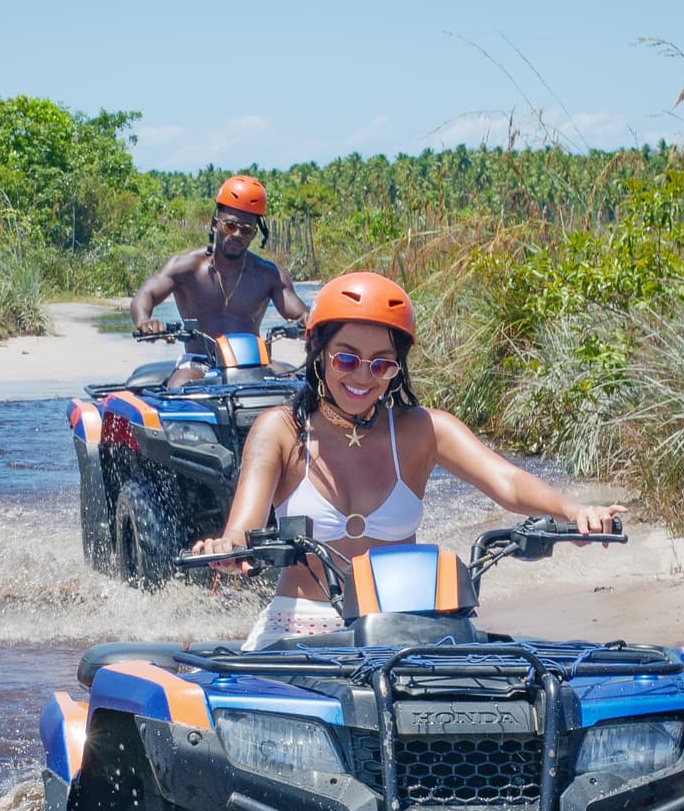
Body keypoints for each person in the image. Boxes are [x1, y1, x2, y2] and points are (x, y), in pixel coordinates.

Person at [188, 271, 628, 650]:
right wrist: (227, 548)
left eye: (382, 365)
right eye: (347, 358)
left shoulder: (423, 430)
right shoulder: (281, 429)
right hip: (301, 624)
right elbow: (243, 527)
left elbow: (507, 482)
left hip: (409, 627)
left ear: (398, 368)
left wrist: (574, 511)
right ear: (318, 352)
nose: (363, 376)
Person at [130, 175, 308, 371]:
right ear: (215, 224)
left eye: (246, 230)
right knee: (181, 384)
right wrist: (144, 321)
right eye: (230, 226)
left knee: (291, 381)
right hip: (199, 362)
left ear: (254, 234)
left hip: (253, 362)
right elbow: (146, 294)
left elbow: (301, 313)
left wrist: (308, 322)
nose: (237, 235)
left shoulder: (269, 275)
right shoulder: (186, 268)